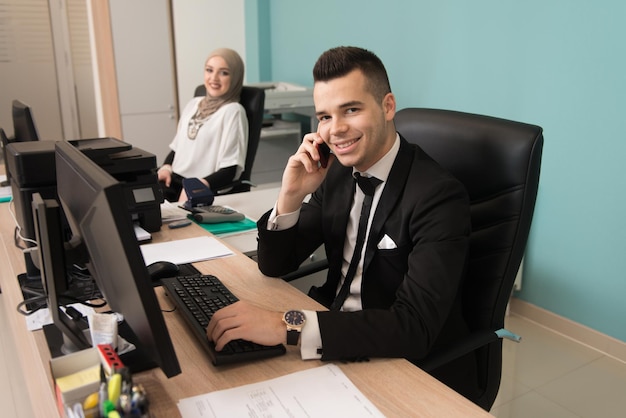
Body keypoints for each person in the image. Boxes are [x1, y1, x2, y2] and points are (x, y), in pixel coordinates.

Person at [206, 46, 478, 398]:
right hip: (328, 334)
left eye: (351, 109)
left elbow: (414, 327)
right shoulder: (336, 174)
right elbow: (275, 265)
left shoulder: (438, 197)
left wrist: (286, 325)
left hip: (396, 360)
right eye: (324, 117)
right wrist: (289, 197)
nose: (336, 130)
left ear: (388, 106)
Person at [158, 48, 248, 202]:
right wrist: (166, 167)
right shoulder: (194, 104)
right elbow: (177, 149)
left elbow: (230, 170)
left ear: (235, 77)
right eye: (209, 70)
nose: (214, 78)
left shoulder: (233, 111)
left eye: (224, 72)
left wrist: (197, 187)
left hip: (202, 188)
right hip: (174, 181)